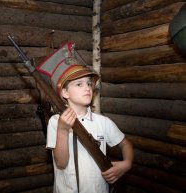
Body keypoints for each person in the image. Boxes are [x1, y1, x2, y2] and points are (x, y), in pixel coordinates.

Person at [36, 42, 134, 193]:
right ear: (65, 93)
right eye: (79, 84)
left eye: (89, 83)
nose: (87, 87)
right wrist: (63, 130)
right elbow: (61, 164)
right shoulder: (56, 122)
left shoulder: (103, 122)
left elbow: (125, 144)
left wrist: (127, 163)